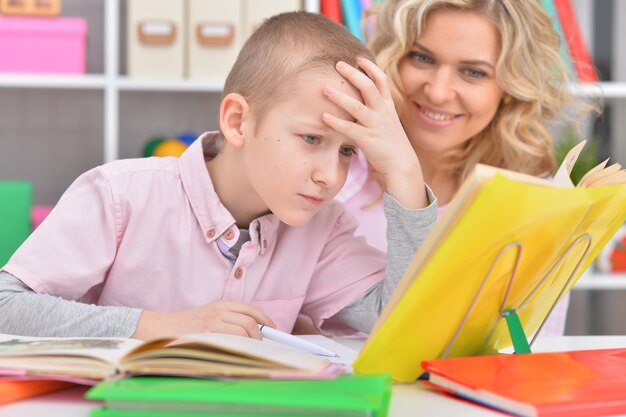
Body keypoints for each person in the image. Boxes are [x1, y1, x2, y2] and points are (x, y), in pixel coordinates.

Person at [0, 11, 437, 340]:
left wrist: (403, 169)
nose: (330, 175)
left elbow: (402, 326)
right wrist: (162, 327)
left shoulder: (322, 229)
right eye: (310, 139)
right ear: (238, 122)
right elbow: (6, 306)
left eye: (347, 151)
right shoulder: (120, 195)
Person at [337, 0, 598, 335]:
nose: (439, 91)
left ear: (509, 87)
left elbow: (527, 346)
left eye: (473, 72)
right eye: (422, 58)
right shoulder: (331, 170)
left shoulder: (531, 201)